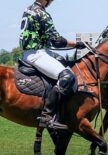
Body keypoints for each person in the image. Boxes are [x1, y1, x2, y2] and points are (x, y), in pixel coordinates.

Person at [20, 0, 86, 129]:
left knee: (66, 63)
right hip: (37, 54)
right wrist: (76, 44)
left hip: (36, 51)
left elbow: (44, 37)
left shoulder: (28, 9)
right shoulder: (42, 13)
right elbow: (57, 41)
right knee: (67, 76)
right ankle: (47, 116)